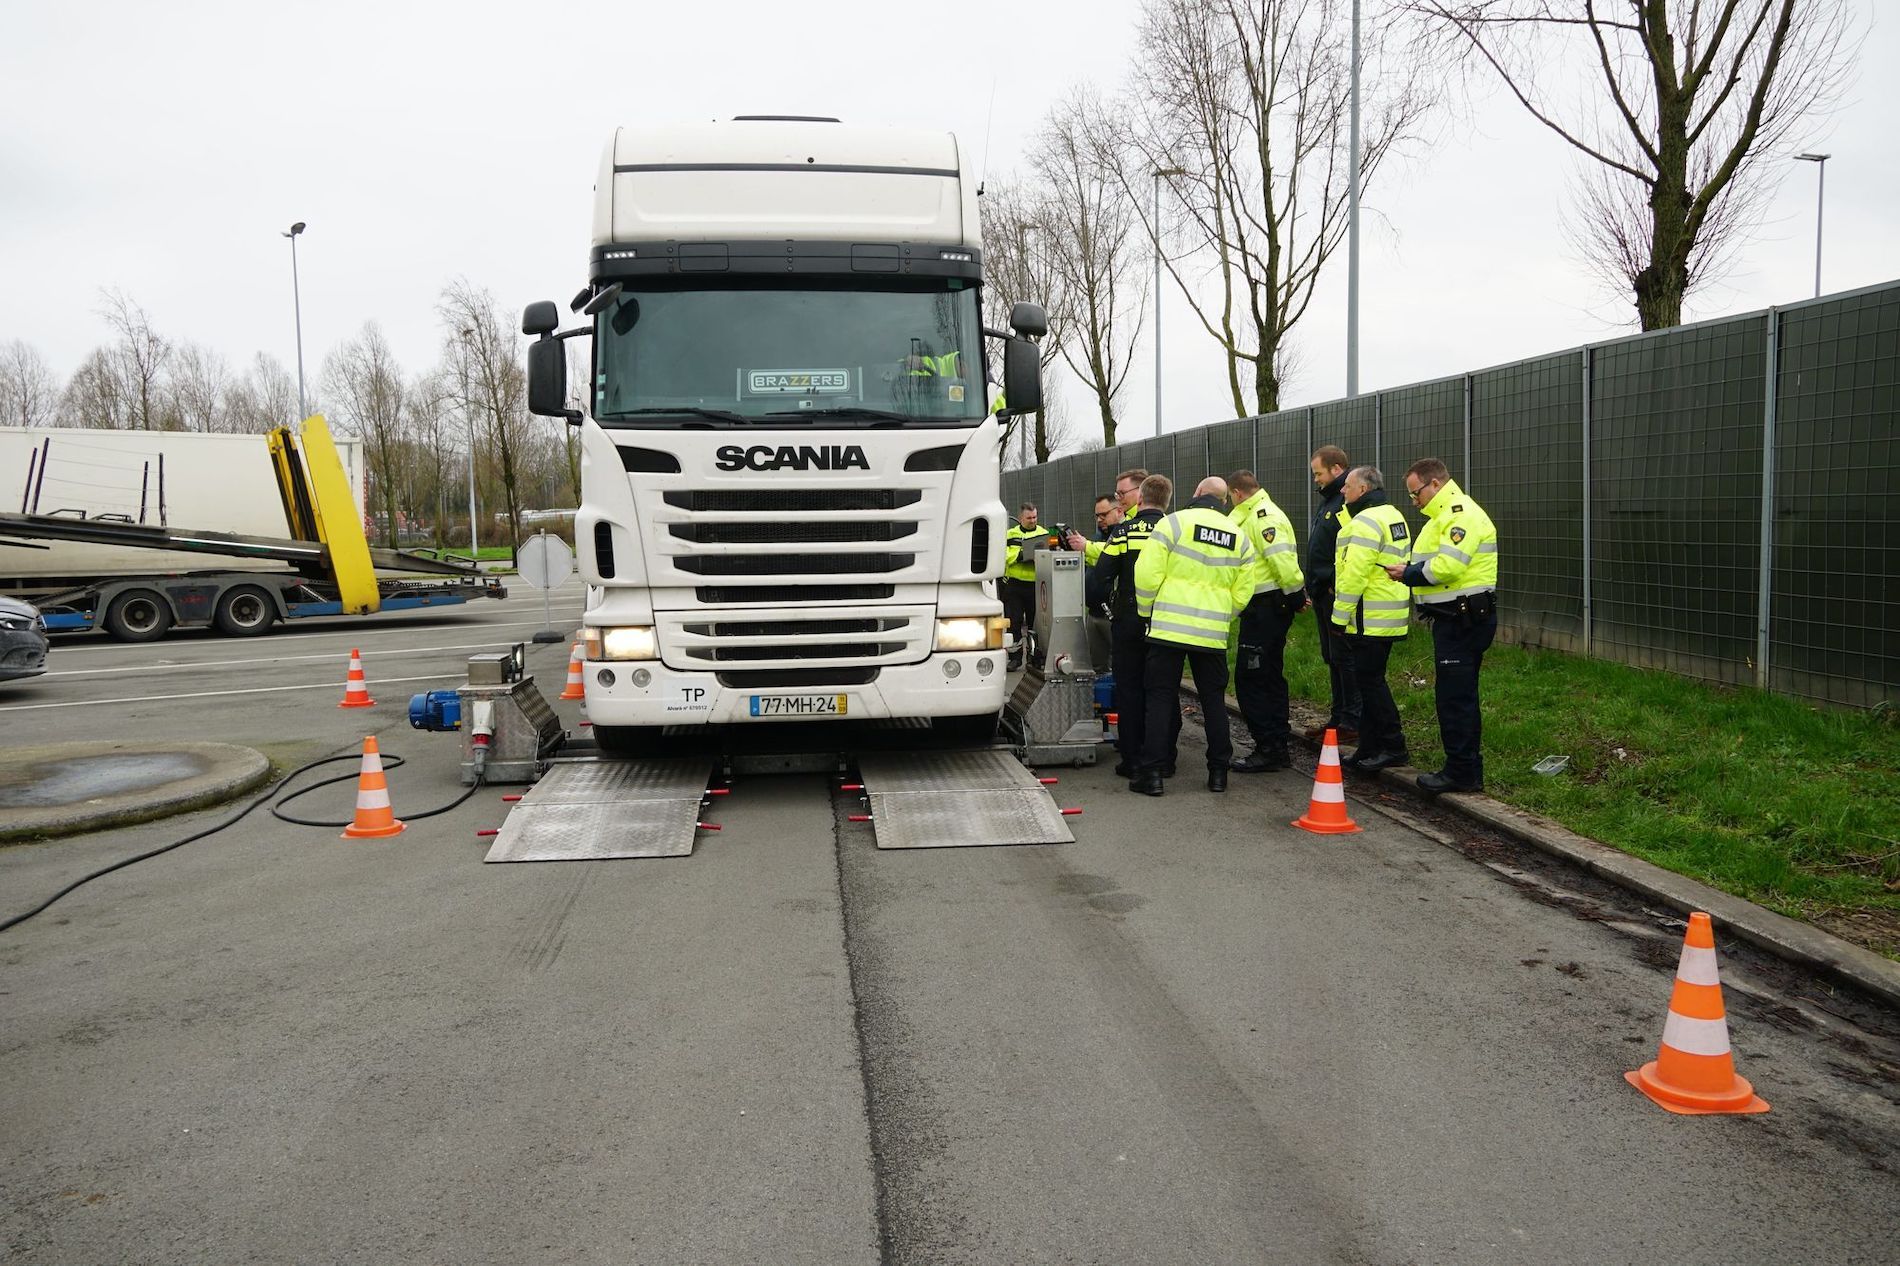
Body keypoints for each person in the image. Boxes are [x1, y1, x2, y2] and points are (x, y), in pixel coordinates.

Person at [1131, 476, 1256, 796]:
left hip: (1168, 628)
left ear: (1197, 493)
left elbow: (1146, 573)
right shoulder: (1239, 536)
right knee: (1214, 701)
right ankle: (1218, 773)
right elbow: (1244, 591)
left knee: (1160, 698)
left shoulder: (1173, 524)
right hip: (1211, 633)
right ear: (1225, 501)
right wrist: (1222, 614)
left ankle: (1153, 774)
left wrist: (1148, 611)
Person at [1385, 458, 1499, 794]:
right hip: (1457, 617)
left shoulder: (1458, 515)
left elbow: (1447, 566)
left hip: (1463, 619)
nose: (1414, 500)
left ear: (1435, 484)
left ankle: (1462, 772)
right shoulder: (1444, 516)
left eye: (1415, 492)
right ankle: (1463, 767)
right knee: (1455, 695)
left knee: (1455, 698)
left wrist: (1407, 574)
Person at [1068, 474, 1171, 777]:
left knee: (1129, 690)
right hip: (1165, 620)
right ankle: (1164, 758)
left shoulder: (1125, 530)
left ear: (1140, 496)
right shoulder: (1174, 529)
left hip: (1128, 619)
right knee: (1162, 692)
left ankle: (1133, 759)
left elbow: (1102, 573)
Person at [1329, 466, 1413, 772]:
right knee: (1369, 682)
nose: (1342, 490)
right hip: (1388, 614)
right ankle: (1370, 745)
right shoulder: (1392, 515)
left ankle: (1393, 745)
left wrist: (1338, 618)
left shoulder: (1364, 522)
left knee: (1371, 683)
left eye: (1348, 486)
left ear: (1363, 490)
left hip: (1368, 617)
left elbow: (1354, 575)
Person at [1225, 470, 1306, 773]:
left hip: (1266, 607)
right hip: (1264, 607)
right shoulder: (1254, 514)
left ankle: (1269, 747)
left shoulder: (1262, 517)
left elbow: (1282, 561)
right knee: (1267, 675)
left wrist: (1296, 596)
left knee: (1253, 678)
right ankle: (1274, 745)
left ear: (1237, 493)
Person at [1305, 445, 1361, 743]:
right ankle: (1339, 716)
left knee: (1343, 656)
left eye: (1319, 473)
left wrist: (1331, 583)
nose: (1316, 479)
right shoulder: (1330, 500)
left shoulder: (1345, 502)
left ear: (1336, 469)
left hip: (1335, 593)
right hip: (1323, 593)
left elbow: (1352, 547)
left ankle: (1351, 720)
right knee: (1332, 656)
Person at [1002, 502, 1045, 669]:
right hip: (1015, 585)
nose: (1033, 520)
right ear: (1020, 518)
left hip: (1036, 585)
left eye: (1035, 517)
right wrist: (1023, 555)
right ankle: (1015, 658)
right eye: (1029, 518)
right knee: (1014, 622)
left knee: (1037, 624)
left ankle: (1035, 658)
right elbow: (1005, 556)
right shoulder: (1010, 535)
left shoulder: (1044, 533)